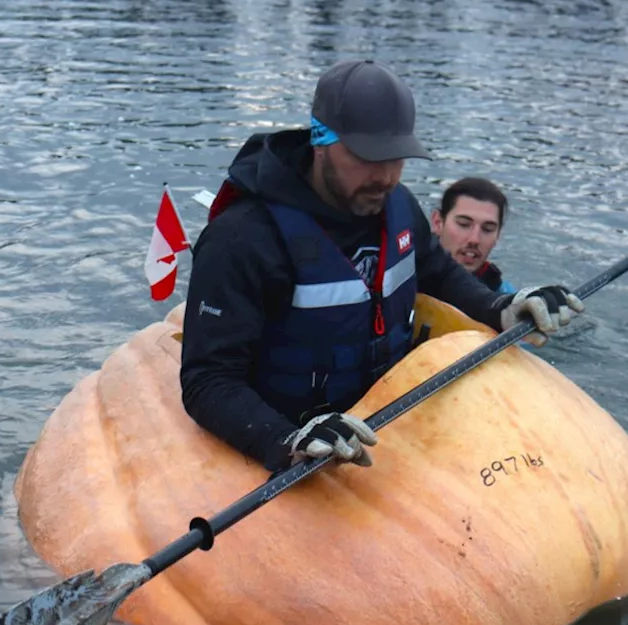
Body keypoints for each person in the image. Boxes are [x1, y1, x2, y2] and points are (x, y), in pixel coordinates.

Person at [179, 59, 583, 474]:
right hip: (294, 436)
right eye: (368, 157)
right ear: (321, 141)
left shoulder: (398, 206)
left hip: (382, 425)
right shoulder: (242, 239)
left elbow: (437, 271)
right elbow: (207, 381)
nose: (386, 176)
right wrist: (285, 439)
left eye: (397, 157)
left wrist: (501, 307)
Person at [431, 176, 515, 294]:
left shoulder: (503, 295)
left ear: (498, 235)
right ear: (438, 222)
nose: (474, 239)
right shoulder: (405, 275)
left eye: (487, 229)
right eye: (464, 224)